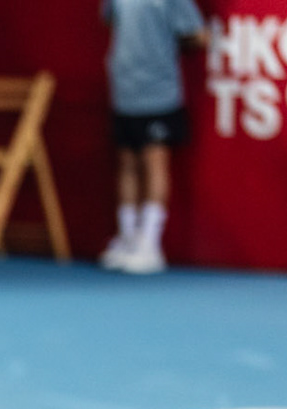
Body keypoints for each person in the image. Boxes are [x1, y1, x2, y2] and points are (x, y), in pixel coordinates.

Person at [100, 0, 209, 274]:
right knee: (127, 163)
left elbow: (197, 34)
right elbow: (109, 20)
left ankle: (150, 243)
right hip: (124, 90)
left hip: (158, 92)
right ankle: (128, 237)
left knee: (154, 161)